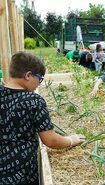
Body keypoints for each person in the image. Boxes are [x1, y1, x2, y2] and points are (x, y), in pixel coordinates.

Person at [0, 52, 85, 185]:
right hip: (21, 175)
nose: (39, 84)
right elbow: (51, 140)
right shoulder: (33, 101)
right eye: (39, 79)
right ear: (28, 75)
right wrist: (70, 140)